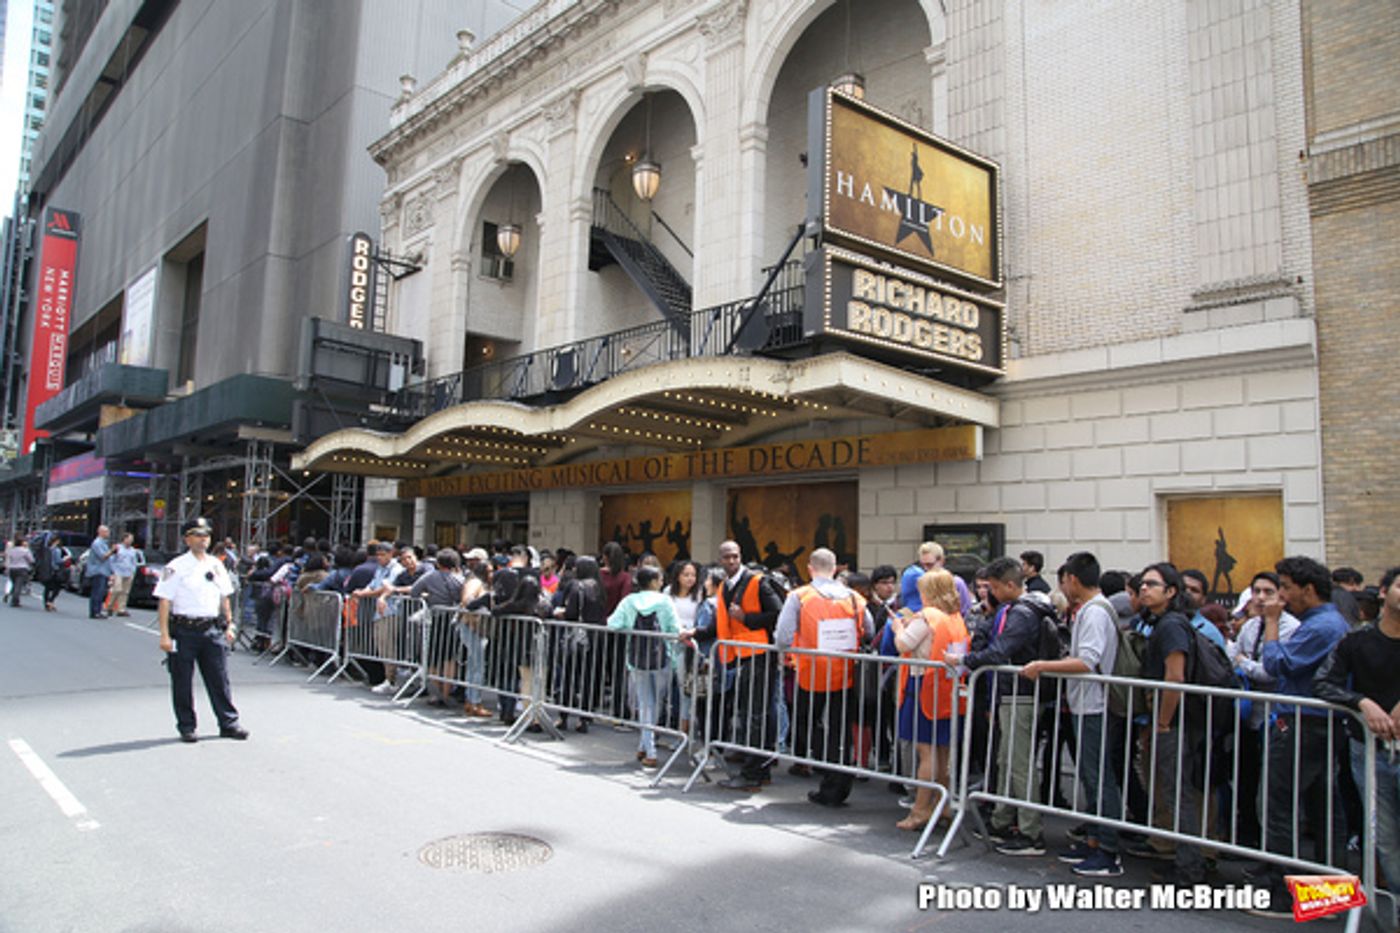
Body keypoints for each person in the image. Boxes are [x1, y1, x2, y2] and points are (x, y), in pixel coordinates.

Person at [1244, 556, 1351, 918]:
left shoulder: (1322, 627)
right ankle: (1326, 896)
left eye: (1286, 588)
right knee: (1323, 808)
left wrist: (1272, 623)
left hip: (1303, 723)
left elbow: (1277, 664)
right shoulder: (1326, 623)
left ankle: (1285, 893)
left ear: (1308, 589)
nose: (1282, 596)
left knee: (1283, 806)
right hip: (1313, 723)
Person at [1022, 551, 1124, 877]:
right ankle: (1094, 840)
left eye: (1064, 580)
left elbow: (1087, 661)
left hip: (1094, 704)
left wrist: (1043, 666)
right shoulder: (1091, 610)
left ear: (1074, 580)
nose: (1063, 587)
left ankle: (1107, 849)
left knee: (1098, 776)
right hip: (1085, 702)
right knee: (1091, 776)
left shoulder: (1094, 612)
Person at [947, 556, 1057, 856]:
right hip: (1013, 692)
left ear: (1009, 585)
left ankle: (1030, 832)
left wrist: (964, 660)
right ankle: (1003, 819)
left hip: (1020, 693)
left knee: (1018, 763)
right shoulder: (1024, 608)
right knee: (1007, 760)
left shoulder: (1022, 613)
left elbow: (1000, 651)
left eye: (994, 587)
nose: (990, 593)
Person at [1314, 565, 1400, 902]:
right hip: (1369, 749)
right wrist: (1361, 702)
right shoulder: (1357, 640)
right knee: (1385, 837)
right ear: (1384, 592)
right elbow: (1323, 682)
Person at [775, 548, 873, 808]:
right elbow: (869, 630)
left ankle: (826, 766)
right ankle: (838, 780)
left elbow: (782, 636)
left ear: (810, 569)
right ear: (835, 568)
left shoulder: (799, 596)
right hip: (845, 672)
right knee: (840, 729)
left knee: (806, 723)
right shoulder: (854, 598)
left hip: (811, 672)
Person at [155, 518, 248, 743]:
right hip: (184, 629)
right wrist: (164, 634)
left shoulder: (216, 564)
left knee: (219, 679)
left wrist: (229, 623)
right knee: (182, 681)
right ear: (187, 539)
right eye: (197, 535)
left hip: (211, 629)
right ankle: (187, 726)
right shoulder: (176, 566)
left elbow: (224, 597)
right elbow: (165, 601)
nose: (203, 539)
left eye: (206, 535)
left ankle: (229, 723)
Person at [888, 568, 967, 829]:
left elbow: (903, 645)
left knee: (926, 750)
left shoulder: (927, 616)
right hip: (946, 687)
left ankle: (920, 809)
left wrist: (898, 628)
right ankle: (941, 805)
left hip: (923, 685)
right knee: (942, 751)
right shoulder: (955, 617)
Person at [713, 539, 785, 791]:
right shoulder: (725, 586)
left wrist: (747, 618)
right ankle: (759, 770)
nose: (732, 560)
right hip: (741, 653)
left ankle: (753, 773)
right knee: (752, 712)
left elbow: (778, 613)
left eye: (735, 556)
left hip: (759, 653)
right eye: (727, 557)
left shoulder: (758, 581)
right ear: (721, 560)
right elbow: (721, 620)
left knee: (755, 714)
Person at [607, 565, 683, 768]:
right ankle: (649, 749)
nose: (662, 582)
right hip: (663, 658)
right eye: (660, 579)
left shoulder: (629, 601)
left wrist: (628, 627)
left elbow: (613, 623)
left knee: (645, 703)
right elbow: (675, 628)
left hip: (636, 658)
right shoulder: (665, 601)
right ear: (653, 581)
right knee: (656, 704)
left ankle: (645, 746)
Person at [901, 542, 972, 615]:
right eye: (922, 565)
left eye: (929, 565)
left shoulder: (956, 582)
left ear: (941, 561)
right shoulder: (921, 583)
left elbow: (966, 612)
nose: (926, 569)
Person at [85, 526, 115, 619]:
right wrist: (112, 550)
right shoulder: (97, 543)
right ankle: (95, 611)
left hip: (104, 571)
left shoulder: (104, 543)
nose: (108, 533)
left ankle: (98, 610)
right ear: (100, 532)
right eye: (106, 532)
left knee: (101, 592)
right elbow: (103, 556)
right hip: (98, 571)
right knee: (97, 592)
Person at [107, 533, 139, 617]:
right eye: (129, 539)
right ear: (124, 539)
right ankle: (110, 606)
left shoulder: (133, 550)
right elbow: (111, 560)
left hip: (128, 572)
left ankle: (121, 609)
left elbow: (134, 562)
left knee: (125, 592)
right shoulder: (118, 548)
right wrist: (112, 571)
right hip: (118, 572)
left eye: (132, 540)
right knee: (117, 589)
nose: (130, 541)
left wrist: (133, 571)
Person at [5, 534, 34, 608]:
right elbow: (31, 560)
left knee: (14, 584)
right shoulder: (25, 551)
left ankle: (14, 598)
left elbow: (9, 558)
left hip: (12, 568)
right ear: (22, 543)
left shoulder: (12, 550)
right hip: (22, 568)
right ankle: (15, 600)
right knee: (19, 585)